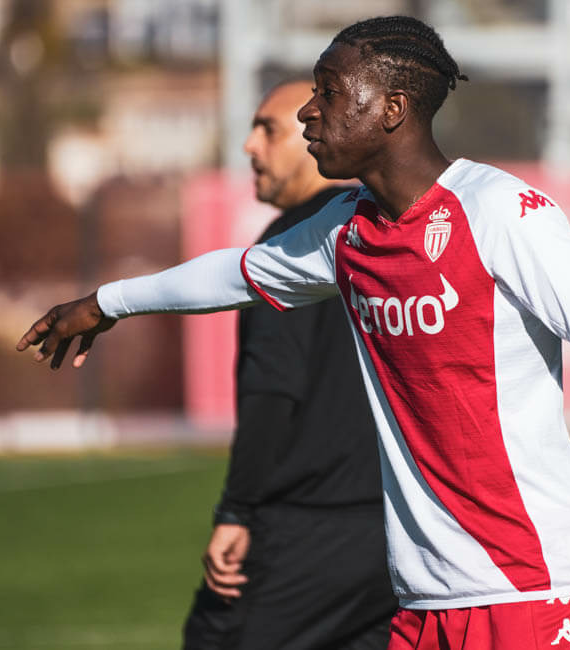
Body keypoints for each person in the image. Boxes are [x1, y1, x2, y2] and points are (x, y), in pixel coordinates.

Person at [17, 16, 570, 650]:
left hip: (535, 585)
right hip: (422, 598)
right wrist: (107, 303)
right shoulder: (346, 228)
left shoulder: (497, 211)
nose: (309, 112)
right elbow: (235, 274)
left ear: (392, 109)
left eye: (330, 92)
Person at [181, 79, 396, 650]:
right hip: (401, 534)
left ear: (315, 136)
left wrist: (236, 511)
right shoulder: (380, 227)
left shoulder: (294, 244)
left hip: (308, 527)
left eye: (269, 130)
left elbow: (272, 391)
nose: (250, 146)